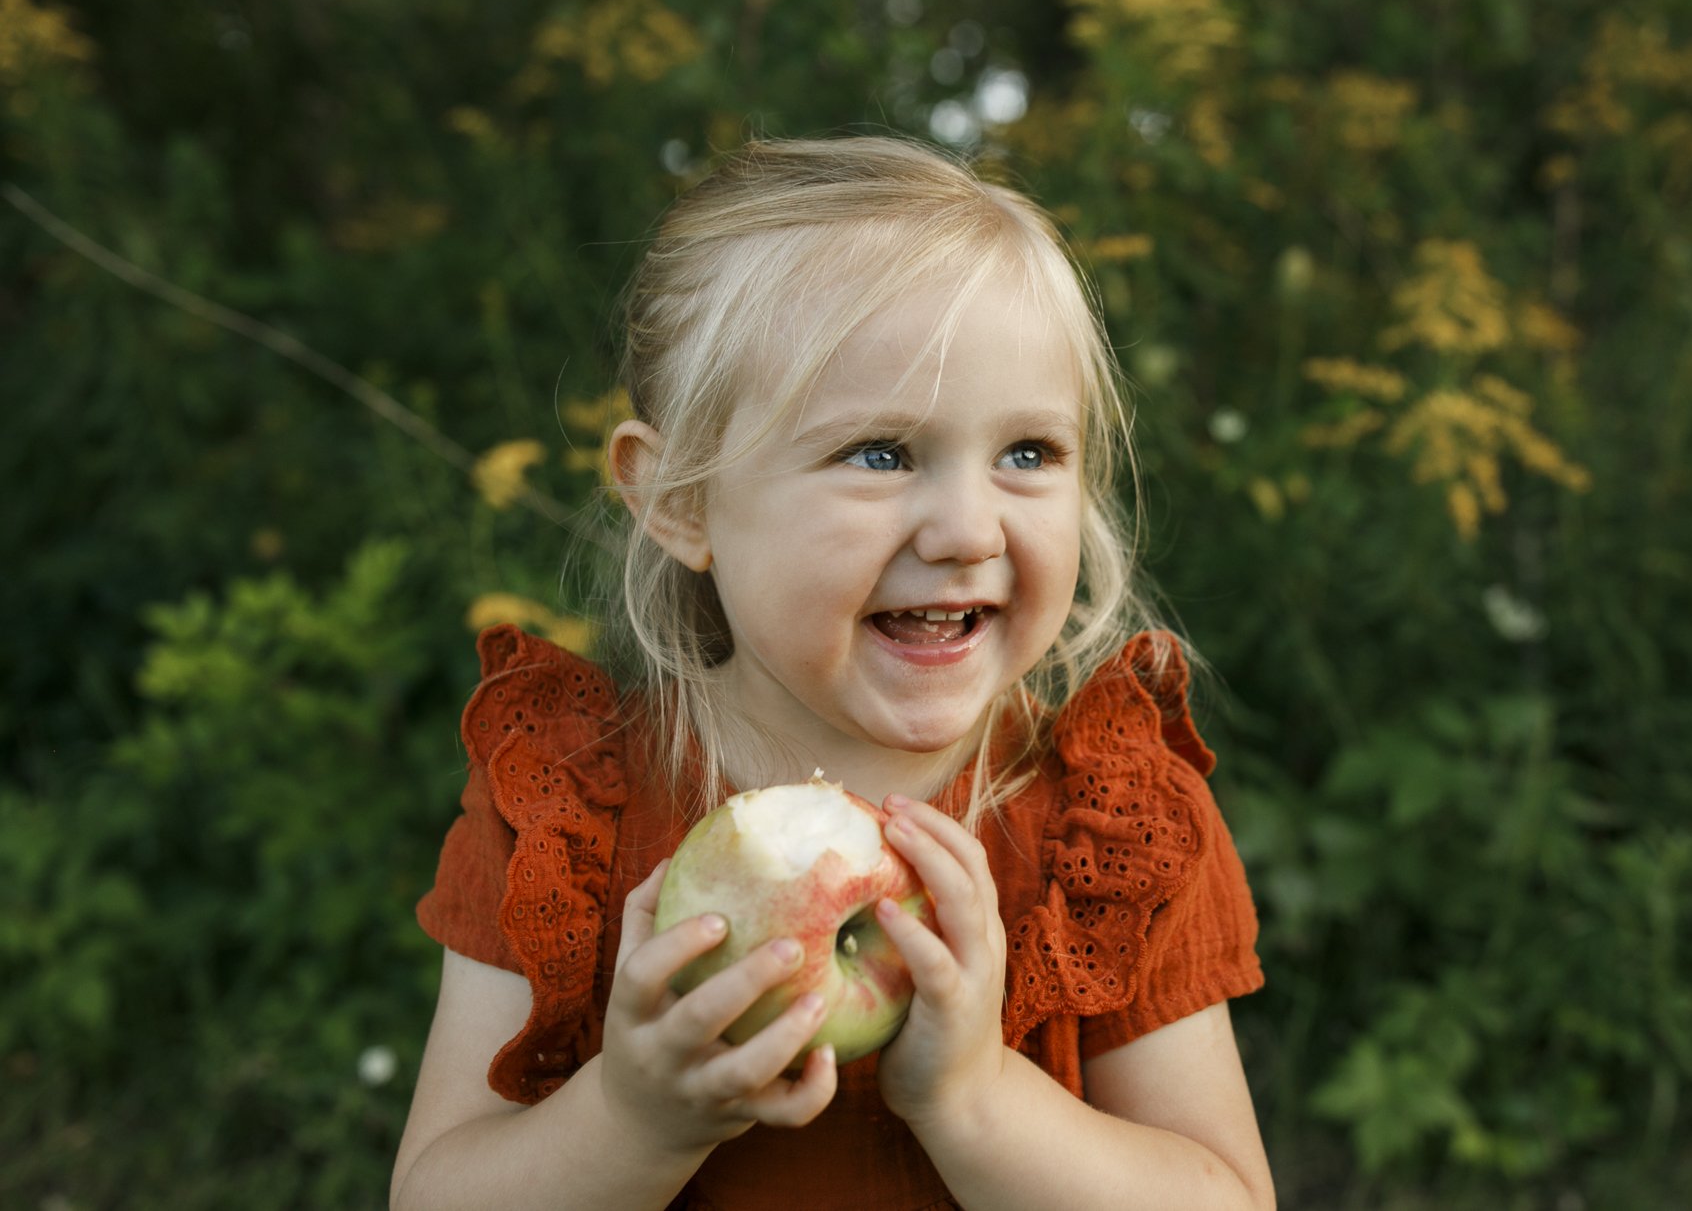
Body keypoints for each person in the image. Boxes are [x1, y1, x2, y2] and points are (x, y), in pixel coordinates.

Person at [391, 137, 1275, 1211]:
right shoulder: (565, 813)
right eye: (880, 454)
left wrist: (974, 1099)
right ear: (678, 498)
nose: (966, 528)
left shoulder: (1111, 826)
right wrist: (631, 1119)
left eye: (1029, 453)